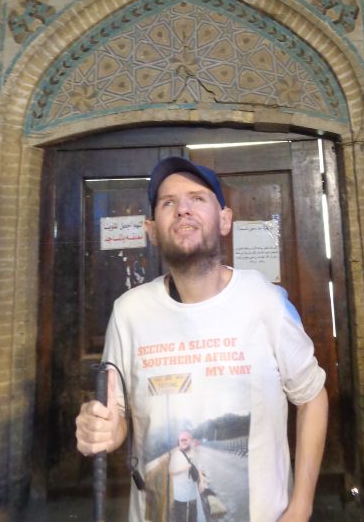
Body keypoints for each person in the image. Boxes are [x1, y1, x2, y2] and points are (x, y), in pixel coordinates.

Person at [76, 156, 328, 521]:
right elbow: (116, 412)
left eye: (197, 198)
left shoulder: (264, 302)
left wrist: (301, 506)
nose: (183, 210)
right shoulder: (130, 312)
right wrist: (104, 429)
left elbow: (312, 398)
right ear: (151, 228)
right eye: (168, 203)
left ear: (224, 220)